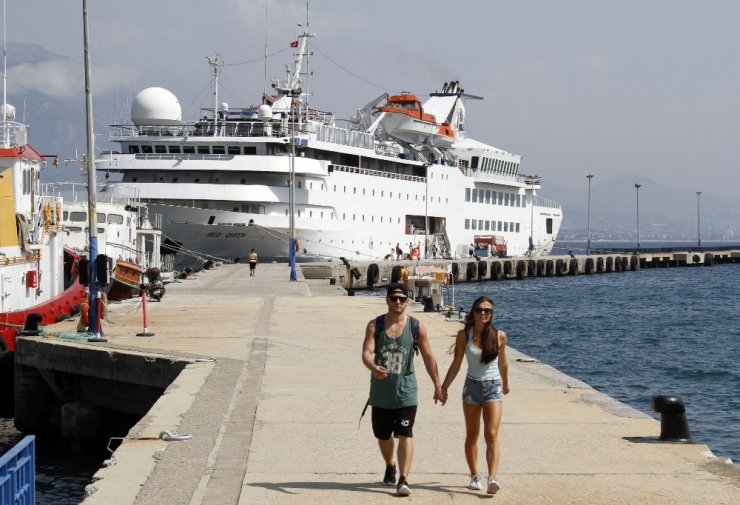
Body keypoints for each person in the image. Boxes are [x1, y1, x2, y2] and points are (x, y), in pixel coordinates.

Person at [362, 283, 445, 497]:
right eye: (393, 298)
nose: (397, 302)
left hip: (406, 391)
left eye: (401, 298)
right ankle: (390, 465)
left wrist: (438, 385)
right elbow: (367, 353)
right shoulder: (375, 325)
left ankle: (403, 479)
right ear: (387, 300)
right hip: (381, 393)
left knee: (405, 434)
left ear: (407, 301)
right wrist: (373, 366)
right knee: (383, 435)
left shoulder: (417, 327)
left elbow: (428, 358)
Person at [440, 296, 509, 495]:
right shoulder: (464, 335)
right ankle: (474, 475)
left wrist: (506, 383)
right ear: (473, 312)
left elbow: (503, 363)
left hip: (493, 386)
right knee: (472, 434)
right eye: (479, 310)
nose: (483, 313)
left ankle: (492, 478)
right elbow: (457, 363)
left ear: (492, 314)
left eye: (487, 310)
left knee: (492, 434)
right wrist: (444, 388)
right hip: (471, 387)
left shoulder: (499, 336)